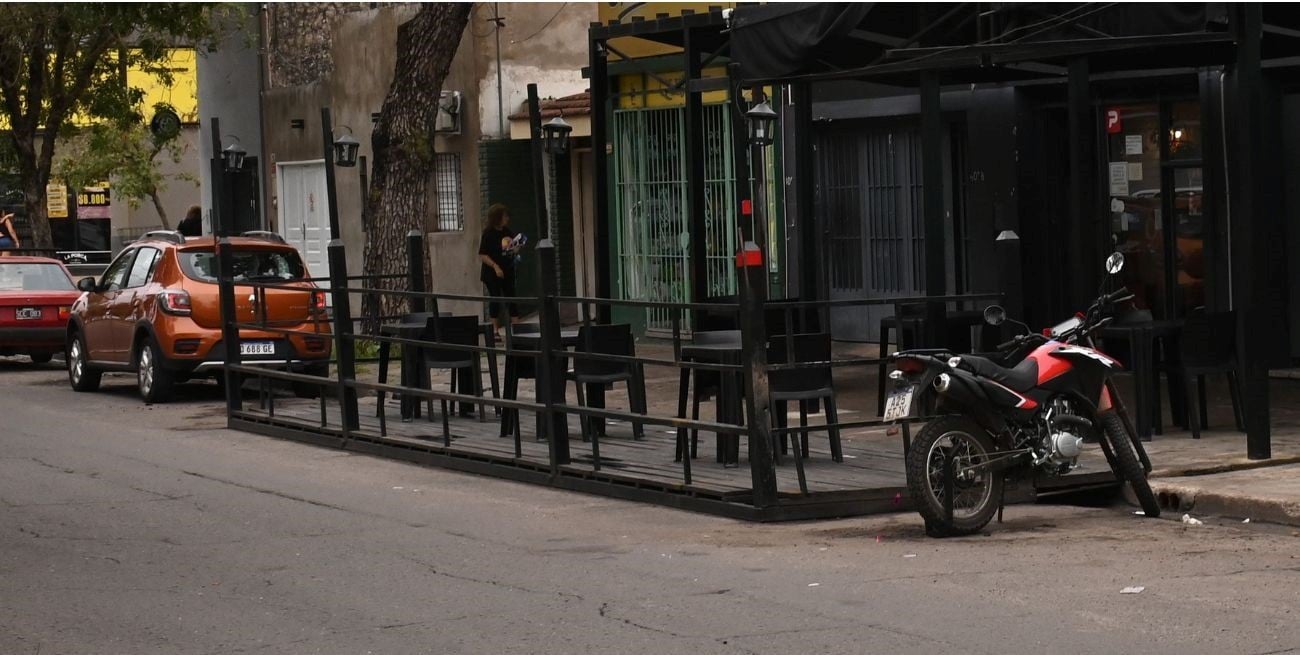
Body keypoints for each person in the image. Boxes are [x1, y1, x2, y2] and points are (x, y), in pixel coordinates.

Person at [478, 203, 522, 331]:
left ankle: (517, 328)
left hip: (507, 270)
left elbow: (511, 248)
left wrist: (516, 249)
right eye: (504, 216)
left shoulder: (507, 231)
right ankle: (494, 330)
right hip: (492, 272)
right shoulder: (488, 233)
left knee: (511, 297)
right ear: (497, 218)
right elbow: (482, 254)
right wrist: (495, 266)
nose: (507, 218)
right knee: (495, 298)